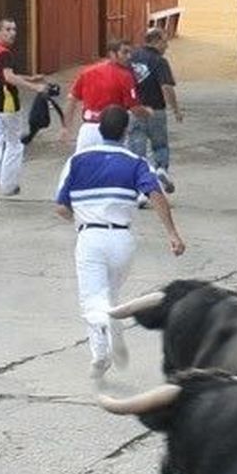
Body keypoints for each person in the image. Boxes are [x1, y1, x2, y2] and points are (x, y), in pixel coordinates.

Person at [54, 105, 186, 379]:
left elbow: (62, 208)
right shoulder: (136, 162)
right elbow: (156, 195)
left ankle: (100, 353)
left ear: (99, 129)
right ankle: (114, 336)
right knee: (109, 293)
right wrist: (172, 233)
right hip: (122, 241)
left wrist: (80, 215)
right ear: (126, 131)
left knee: (92, 298)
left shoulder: (77, 161)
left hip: (90, 237)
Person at [0, 17, 50, 210]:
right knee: (14, 144)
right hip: (7, 103)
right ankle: (8, 185)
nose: (12, 33)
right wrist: (35, 87)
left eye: (14, 29)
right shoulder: (5, 54)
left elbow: (1, 76)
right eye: (8, 29)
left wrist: (29, 78)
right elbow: (9, 77)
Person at [62, 39, 146, 154]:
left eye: (130, 52)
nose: (129, 56)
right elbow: (134, 108)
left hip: (88, 131)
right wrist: (148, 113)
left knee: (83, 163)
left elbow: (72, 99)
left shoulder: (87, 72)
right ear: (112, 54)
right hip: (113, 133)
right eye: (124, 52)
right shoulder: (125, 76)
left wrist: (66, 127)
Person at [126, 28, 180, 192]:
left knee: (136, 148)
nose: (167, 46)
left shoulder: (131, 58)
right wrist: (175, 109)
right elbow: (166, 87)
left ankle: (140, 184)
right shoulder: (159, 61)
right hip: (156, 110)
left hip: (135, 109)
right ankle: (161, 168)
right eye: (164, 42)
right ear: (155, 41)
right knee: (160, 145)